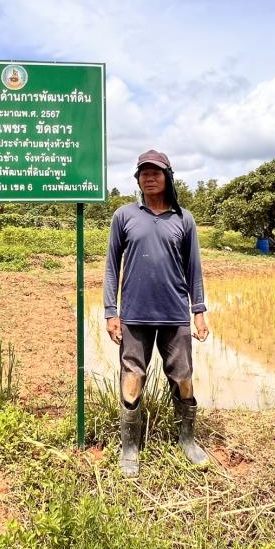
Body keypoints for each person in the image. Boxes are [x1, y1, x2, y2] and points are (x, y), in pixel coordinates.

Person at [103, 149, 210, 477]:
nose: (149, 177)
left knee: (184, 379)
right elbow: (110, 266)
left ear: (167, 177)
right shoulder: (124, 216)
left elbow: (194, 268)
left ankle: (187, 439)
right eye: (143, 172)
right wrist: (111, 310)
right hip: (134, 315)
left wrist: (199, 311)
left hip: (175, 315)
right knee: (132, 379)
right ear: (137, 178)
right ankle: (130, 447)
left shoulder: (183, 219)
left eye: (156, 172)